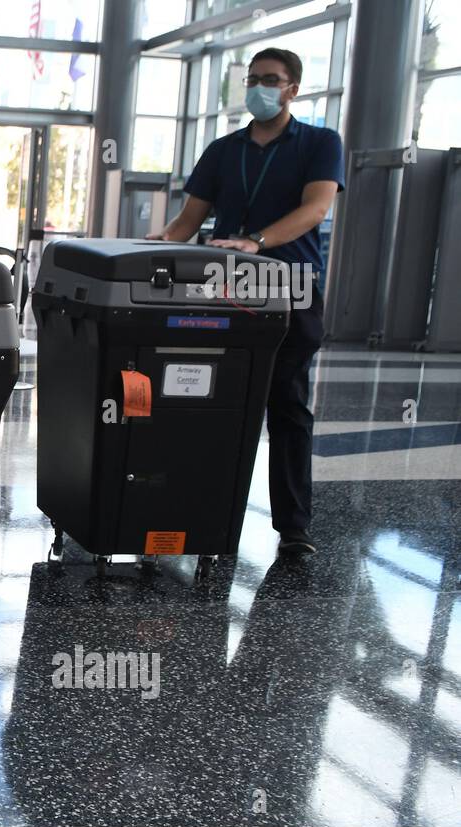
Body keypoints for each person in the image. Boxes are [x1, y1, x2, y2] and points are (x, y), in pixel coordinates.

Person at [147, 48, 343, 556]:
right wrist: (149, 248)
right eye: (253, 79)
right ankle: (195, 511)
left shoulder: (320, 143)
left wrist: (256, 240)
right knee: (207, 401)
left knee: (287, 404)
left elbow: (316, 208)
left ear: (292, 88)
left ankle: (294, 527)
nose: (260, 87)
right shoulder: (223, 149)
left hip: (291, 287)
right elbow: (186, 224)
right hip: (223, 286)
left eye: (271, 80)